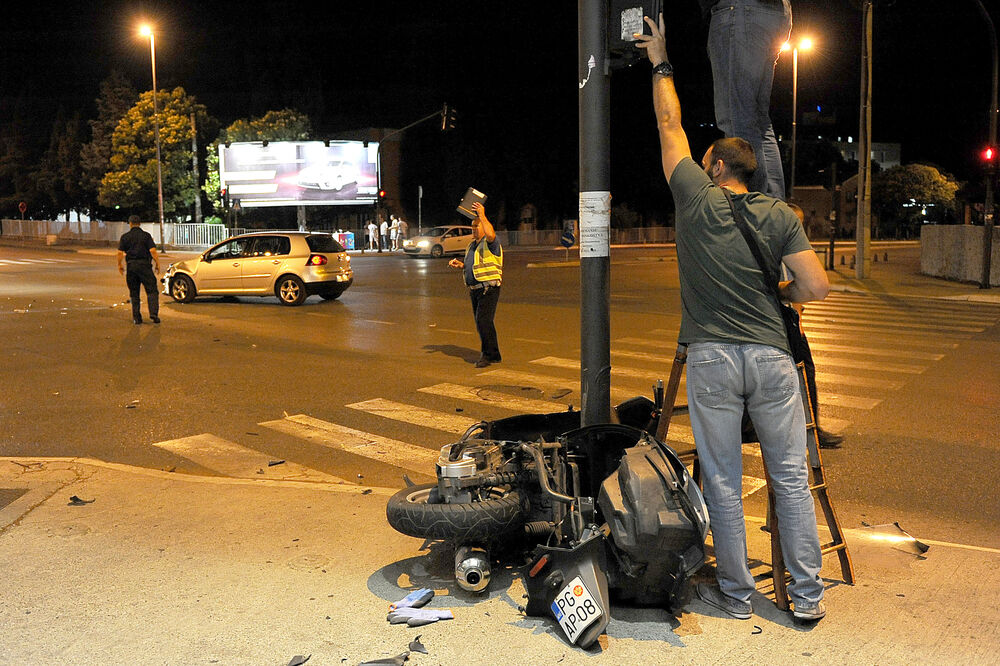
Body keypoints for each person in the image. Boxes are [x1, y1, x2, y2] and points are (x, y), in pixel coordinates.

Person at [636, 14, 830, 622]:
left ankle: (739, 597)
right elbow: (816, 287)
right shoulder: (780, 215)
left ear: (716, 167)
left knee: (721, 480)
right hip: (772, 361)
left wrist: (660, 61)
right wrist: (775, 289)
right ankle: (805, 599)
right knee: (791, 481)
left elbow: (670, 125)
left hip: (714, 360)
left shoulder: (694, 197)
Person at [700, 0, 792, 199]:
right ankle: (773, 210)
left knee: (736, 118)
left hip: (741, 11)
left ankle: (755, 211)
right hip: (771, 13)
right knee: (757, 120)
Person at [786, 203, 844, 449]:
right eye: (796, 223)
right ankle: (809, 431)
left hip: (791, 321)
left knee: (806, 375)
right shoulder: (784, 248)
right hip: (786, 324)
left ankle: (811, 429)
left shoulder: (788, 246)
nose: (801, 229)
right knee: (804, 375)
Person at [448, 202, 502, 368]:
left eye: (477, 226)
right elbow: (475, 264)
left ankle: (487, 355)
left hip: (488, 288)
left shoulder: (491, 242)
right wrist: (462, 266)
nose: (474, 229)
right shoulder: (471, 245)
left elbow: (491, 233)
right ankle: (494, 354)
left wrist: (482, 215)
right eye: (472, 226)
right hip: (475, 290)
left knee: (483, 321)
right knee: (483, 323)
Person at [116, 215, 161, 325]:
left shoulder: (125, 237)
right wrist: (157, 263)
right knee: (152, 290)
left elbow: (119, 253)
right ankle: (153, 313)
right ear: (140, 224)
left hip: (131, 266)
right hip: (145, 266)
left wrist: (120, 265)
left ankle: (137, 318)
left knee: (134, 293)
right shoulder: (146, 236)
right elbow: (153, 251)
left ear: (130, 223)